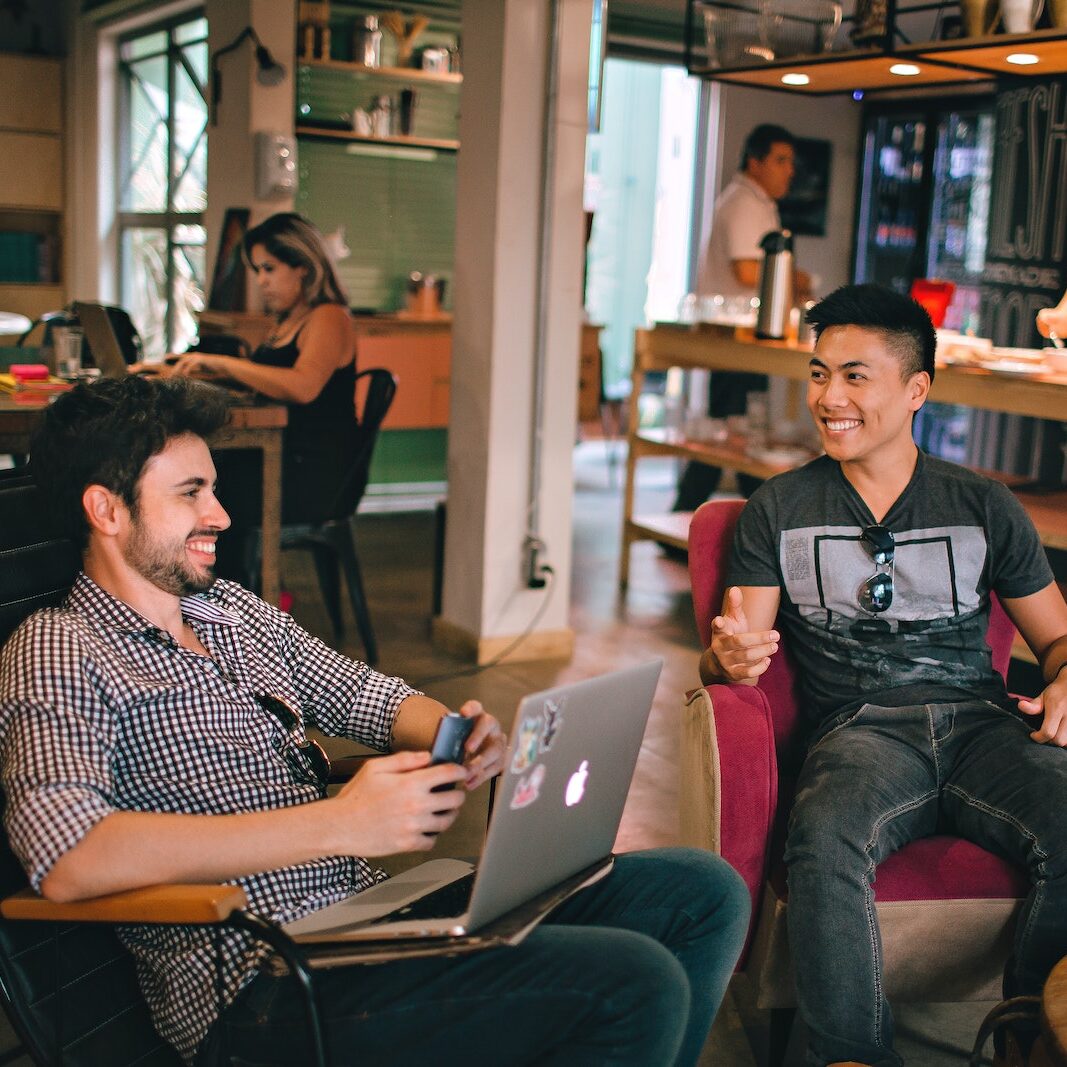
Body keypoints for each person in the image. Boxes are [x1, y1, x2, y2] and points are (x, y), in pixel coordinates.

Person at [0, 375, 750, 1067]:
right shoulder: (59, 646)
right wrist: (339, 825)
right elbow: (68, 856)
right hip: (262, 984)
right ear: (106, 509)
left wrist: (456, 736)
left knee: (700, 892)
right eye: (191, 493)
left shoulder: (230, 612)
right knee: (630, 982)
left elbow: (371, 697)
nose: (220, 515)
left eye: (215, 489)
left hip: (370, 921)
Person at [700, 283, 1067, 1067]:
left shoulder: (983, 504)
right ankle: (849, 1056)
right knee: (825, 831)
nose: (828, 397)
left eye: (854, 376)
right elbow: (737, 646)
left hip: (982, 723)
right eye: (817, 372)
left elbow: (1059, 638)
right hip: (860, 730)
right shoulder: (779, 506)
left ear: (915, 390)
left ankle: (1028, 1038)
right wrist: (725, 659)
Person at [166, 212, 359, 586]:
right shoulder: (290, 320)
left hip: (313, 473)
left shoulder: (330, 318)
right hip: (286, 456)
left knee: (208, 492)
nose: (261, 281)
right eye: (258, 270)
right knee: (200, 482)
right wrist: (206, 371)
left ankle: (226, 603)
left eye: (269, 268)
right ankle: (206, 598)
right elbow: (269, 380)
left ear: (302, 266)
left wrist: (222, 363)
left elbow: (302, 386)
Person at [674, 123, 811, 513]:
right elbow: (749, 272)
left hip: (746, 337)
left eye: (791, 162)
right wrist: (800, 279)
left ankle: (747, 521)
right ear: (755, 162)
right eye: (781, 160)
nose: (789, 170)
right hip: (736, 337)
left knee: (739, 434)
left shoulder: (757, 202)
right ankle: (694, 522)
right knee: (735, 436)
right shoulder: (744, 203)